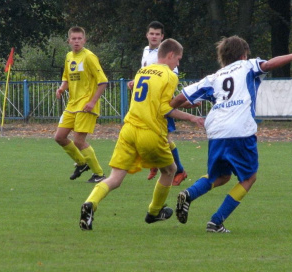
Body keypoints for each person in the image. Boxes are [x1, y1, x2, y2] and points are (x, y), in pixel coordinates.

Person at [172, 36, 292, 233]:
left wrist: (160, 109)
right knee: (248, 177)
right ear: (243, 54)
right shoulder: (247, 66)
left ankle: (189, 194)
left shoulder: (214, 77)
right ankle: (216, 222)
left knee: (220, 176)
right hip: (239, 129)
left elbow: (181, 99)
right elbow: (270, 64)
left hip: (216, 131)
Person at [80, 39, 205, 231]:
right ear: (170, 55)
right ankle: (154, 211)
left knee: (115, 178)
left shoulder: (142, 71)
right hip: (150, 132)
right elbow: (165, 108)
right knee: (170, 170)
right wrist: (191, 117)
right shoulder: (170, 76)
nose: (178, 64)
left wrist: (186, 104)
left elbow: (154, 101)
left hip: (128, 129)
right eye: (178, 59)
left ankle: (90, 203)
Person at [127, 21, 189, 186]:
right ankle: (158, 165)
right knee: (158, 138)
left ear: (162, 37)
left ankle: (179, 170)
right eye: (151, 33)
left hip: (160, 102)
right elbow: (147, 73)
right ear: (147, 35)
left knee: (163, 138)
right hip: (149, 103)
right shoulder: (146, 51)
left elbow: (169, 76)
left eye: (157, 34)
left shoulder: (166, 54)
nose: (154, 36)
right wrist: (135, 81)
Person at [55, 26, 109, 183]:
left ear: (84, 40)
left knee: (79, 141)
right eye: (74, 39)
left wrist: (92, 102)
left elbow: (103, 81)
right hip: (72, 105)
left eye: (79, 39)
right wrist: (62, 88)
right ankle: (81, 163)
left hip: (86, 105)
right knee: (59, 137)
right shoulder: (68, 56)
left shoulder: (89, 57)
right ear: (69, 41)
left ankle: (99, 174)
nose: (77, 41)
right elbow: (66, 76)